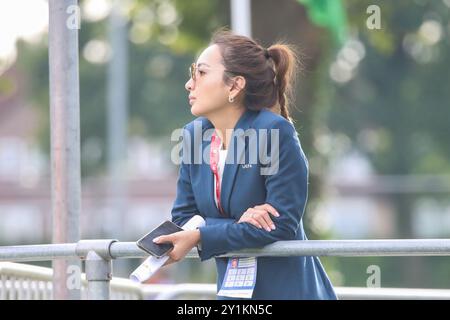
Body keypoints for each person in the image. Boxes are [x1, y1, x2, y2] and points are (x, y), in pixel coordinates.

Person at [152, 28, 337, 300]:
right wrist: (234, 224)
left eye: (201, 73)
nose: (189, 84)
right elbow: (183, 218)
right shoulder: (192, 136)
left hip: (289, 292)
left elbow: (282, 222)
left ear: (235, 86)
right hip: (234, 295)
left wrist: (203, 234)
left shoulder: (275, 132)